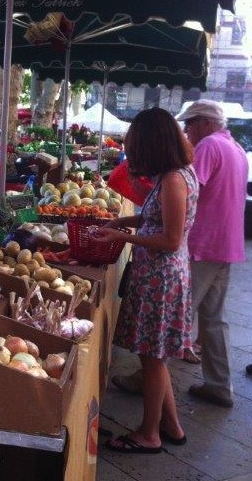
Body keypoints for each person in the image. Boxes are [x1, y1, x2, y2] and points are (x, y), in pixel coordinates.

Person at [112, 100, 249, 408]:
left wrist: (127, 226)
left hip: (199, 245)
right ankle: (218, 385)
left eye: (190, 124)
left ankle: (148, 381)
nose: (187, 131)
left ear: (205, 123)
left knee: (163, 334)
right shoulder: (236, 148)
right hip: (226, 244)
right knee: (213, 319)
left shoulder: (206, 150)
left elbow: (176, 203)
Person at [93, 107, 199, 453]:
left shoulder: (173, 180)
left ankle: (149, 434)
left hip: (161, 279)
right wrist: (122, 223)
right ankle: (172, 426)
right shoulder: (176, 174)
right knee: (154, 358)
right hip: (159, 276)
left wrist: (121, 237)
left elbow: (170, 239)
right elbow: (155, 218)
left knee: (153, 361)